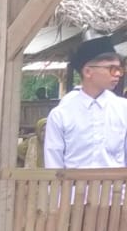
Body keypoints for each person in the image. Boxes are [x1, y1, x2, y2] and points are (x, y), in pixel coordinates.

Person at [44, 38, 127, 168]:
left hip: (116, 182)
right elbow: (53, 164)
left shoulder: (123, 109)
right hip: (73, 182)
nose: (117, 74)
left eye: (119, 69)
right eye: (111, 68)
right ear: (88, 71)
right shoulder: (61, 114)